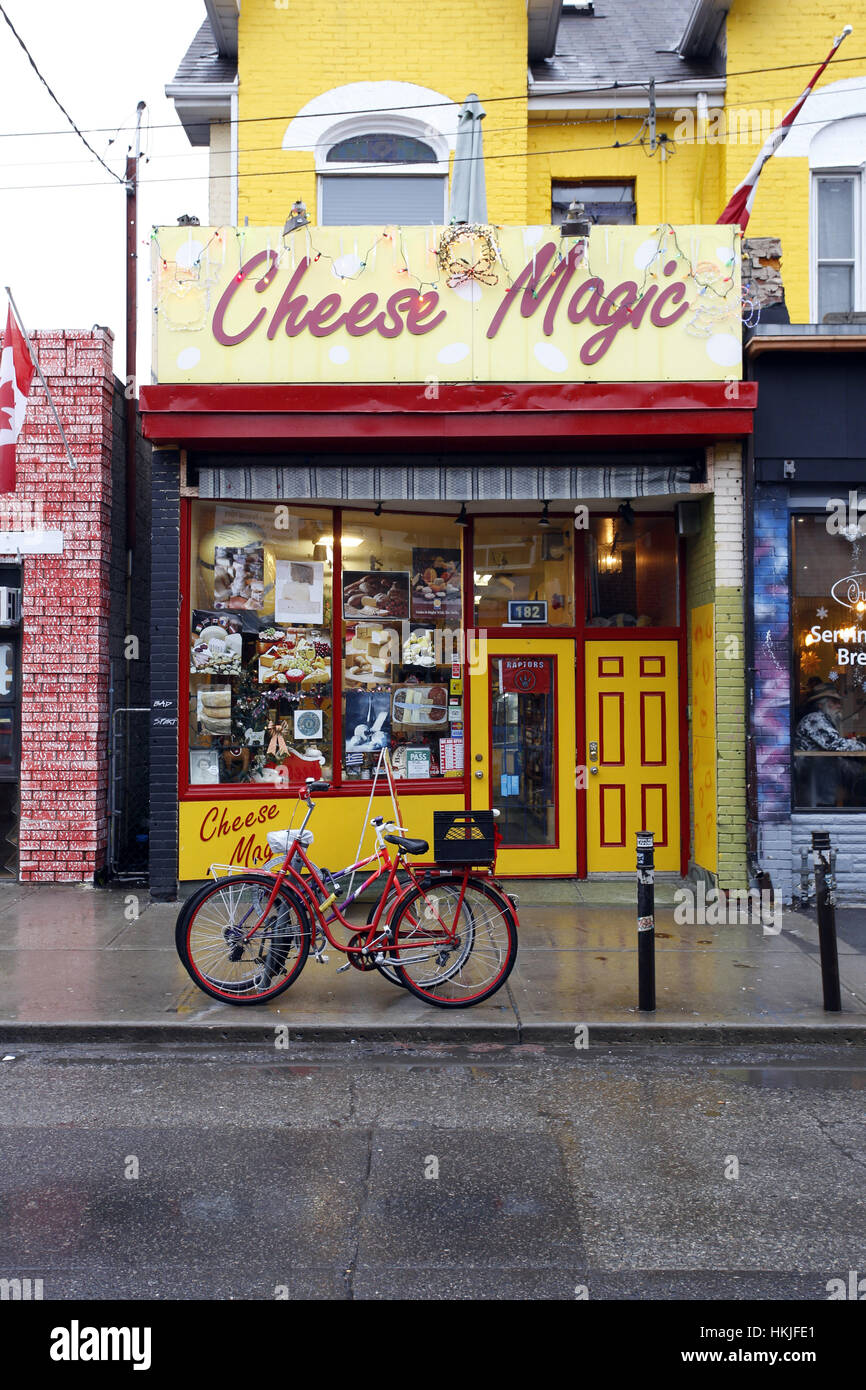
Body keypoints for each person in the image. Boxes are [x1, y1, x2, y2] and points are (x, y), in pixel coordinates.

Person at [793, 683, 866, 805]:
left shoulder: (823, 720)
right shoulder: (815, 719)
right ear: (821, 705)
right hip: (810, 779)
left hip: (819, 779)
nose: (839, 705)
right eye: (834, 701)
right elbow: (835, 744)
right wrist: (863, 746)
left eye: (839, 702)